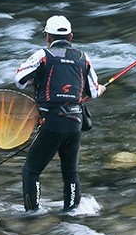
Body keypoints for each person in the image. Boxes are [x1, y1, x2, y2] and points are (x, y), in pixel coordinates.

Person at [14, 15, 106, 211]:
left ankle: (32, 214)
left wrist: (36, 79)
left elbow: (19, 80)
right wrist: (101, 89)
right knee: (71, 173)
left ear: (48, 37)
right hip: (75, 123)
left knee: (31, 171)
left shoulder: (43, 55)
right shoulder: (83, 58)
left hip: (52, 122)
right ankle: (71, 215)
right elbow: (95, 91)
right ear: (71, 36)